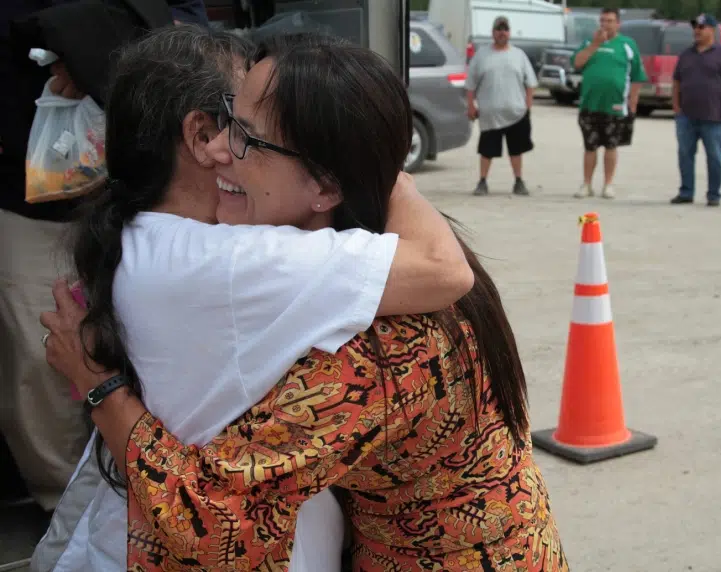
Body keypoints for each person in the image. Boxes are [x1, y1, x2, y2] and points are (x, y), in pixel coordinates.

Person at [41, 34, 569, 571]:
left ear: (324, 186)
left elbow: (213, 525)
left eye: (247, 137)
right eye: (230, 118)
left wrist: (100, 387)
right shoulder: (380, 259)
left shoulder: (375, 345)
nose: (219, 148)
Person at [0, 0, 181, 514]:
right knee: (41, 363)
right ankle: (66, 509)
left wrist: (92, 58)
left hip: (144, 190)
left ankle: (149, 498)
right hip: (26, 198)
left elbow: (179, 24)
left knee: (147, 349)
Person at [571, 7, 646, 200]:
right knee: (590, 146)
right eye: (602, 20)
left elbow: (637, 75)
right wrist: (595, 44)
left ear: (618, 23)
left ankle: (608, 184)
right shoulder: (589, 43)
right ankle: (586, 184)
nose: (605, 24)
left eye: (609, 21)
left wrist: (633, 102)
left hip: (615, 105)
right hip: (589, 104)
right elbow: (577, 63)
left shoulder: (627, 45)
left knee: (611, 146)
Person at [669, 13, 721, 208]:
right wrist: (676, 105)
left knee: (715, 156)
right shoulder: (686, 54)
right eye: (695, 28)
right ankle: (686, 192)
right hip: (686, 115)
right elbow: (676, 81)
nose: (697, 31)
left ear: (712, 30)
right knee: (685, 154)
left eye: (702, 27)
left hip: (713, 115)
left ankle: (714, 194)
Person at [465, 15, 538, 197]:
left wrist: (528, 105)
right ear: (493, 32)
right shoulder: (482, 55)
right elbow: (470, 85)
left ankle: (518, 181)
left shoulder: (518, 55)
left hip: (516, 112)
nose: (501, 33)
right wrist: (470, 106)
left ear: (509, 32)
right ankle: (482, 182)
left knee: (516, 150)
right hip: (490, 114)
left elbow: (530, 83)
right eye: (498, 29)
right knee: (486, 151)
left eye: (505, 29)